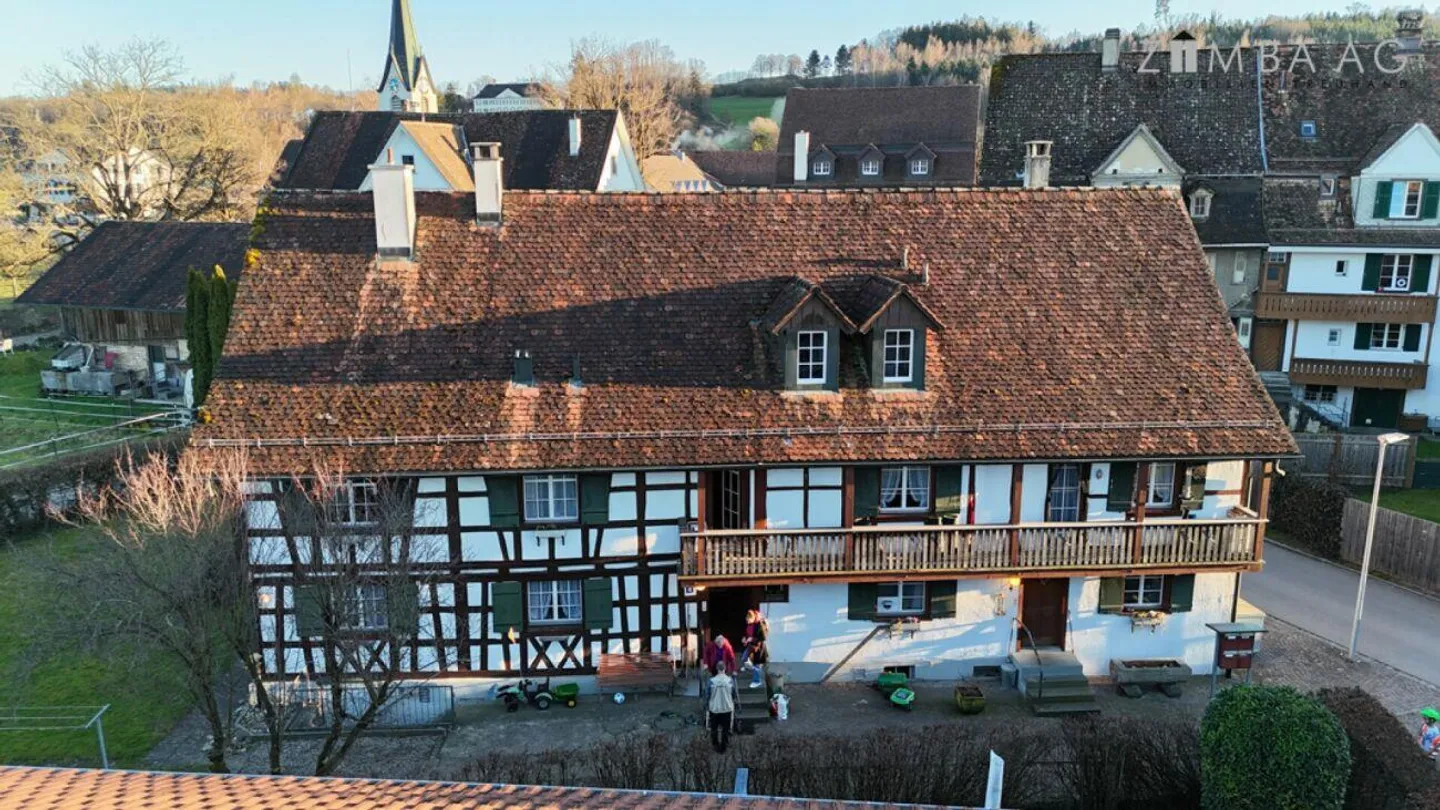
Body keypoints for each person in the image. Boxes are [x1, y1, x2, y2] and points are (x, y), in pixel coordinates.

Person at [707, 667, 735, 753]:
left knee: (714, 728)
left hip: (714, 708)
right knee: (725, 729)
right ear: (724, 669)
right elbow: (733, 694)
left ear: (717, 670)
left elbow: (707, 694)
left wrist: (707, 704)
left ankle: (715, 745)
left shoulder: (711, 681)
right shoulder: (730, 681)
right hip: (726, 708)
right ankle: (724, 747)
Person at [741, 609, 768, 689]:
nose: (747, 622)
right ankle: (748, 667)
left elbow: (763, 637)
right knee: (744, 658)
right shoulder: (750, 625)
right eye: (747, 620)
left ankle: (757, 681)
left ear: (753, 618)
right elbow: (748, 634)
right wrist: (745, 638)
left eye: (748, 620)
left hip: (759, 648)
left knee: (757, 665)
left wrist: (752, 639)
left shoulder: (759, 624)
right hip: (751, 646)